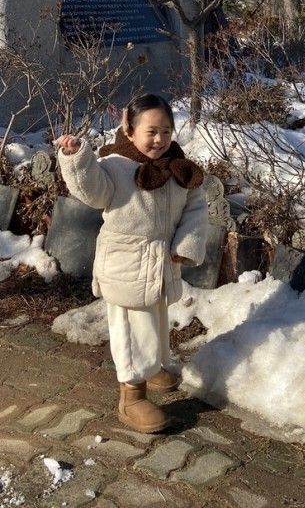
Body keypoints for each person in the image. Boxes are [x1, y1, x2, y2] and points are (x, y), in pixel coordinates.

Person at [56, 93, 208, 433]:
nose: (159, 139)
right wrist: (76, 157)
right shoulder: (115, 165)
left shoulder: (179, 168)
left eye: (166, 131)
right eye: (151, 131)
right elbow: (92, 191)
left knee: (155, 319)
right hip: (126, 263)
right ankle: (131, 395)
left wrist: (186, 244)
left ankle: (152, 367)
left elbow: (196, 208)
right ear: (129, 129)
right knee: (129, 329)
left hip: (161, 262)